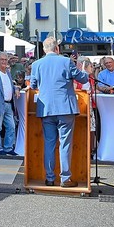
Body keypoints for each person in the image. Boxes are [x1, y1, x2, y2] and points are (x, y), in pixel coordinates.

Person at [29, 36, 90, 187]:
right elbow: (82, 79)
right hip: (65, 108)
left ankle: (50, 178)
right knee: (65, 144)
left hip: (46, 109)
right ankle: (65, 179)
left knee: (49, 144)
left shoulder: (37, 64)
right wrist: (84, 71)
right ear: (57, 49)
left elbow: (33, 85)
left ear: (44, 49)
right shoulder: (65, 61)